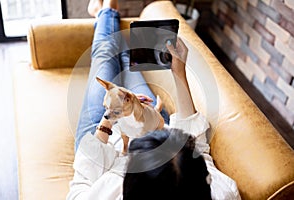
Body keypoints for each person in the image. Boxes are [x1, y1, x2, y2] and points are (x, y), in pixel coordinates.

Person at [66, 0, 241, 199]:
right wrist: (178, 71)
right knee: (125, 59)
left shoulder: (108, 191)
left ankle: (104, 12)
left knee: (105, 54)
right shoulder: (222, 193)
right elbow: (196, 143)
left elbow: (80, 185)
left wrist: (109, 118)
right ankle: (105, 13)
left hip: (102, 139)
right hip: (152, 120)